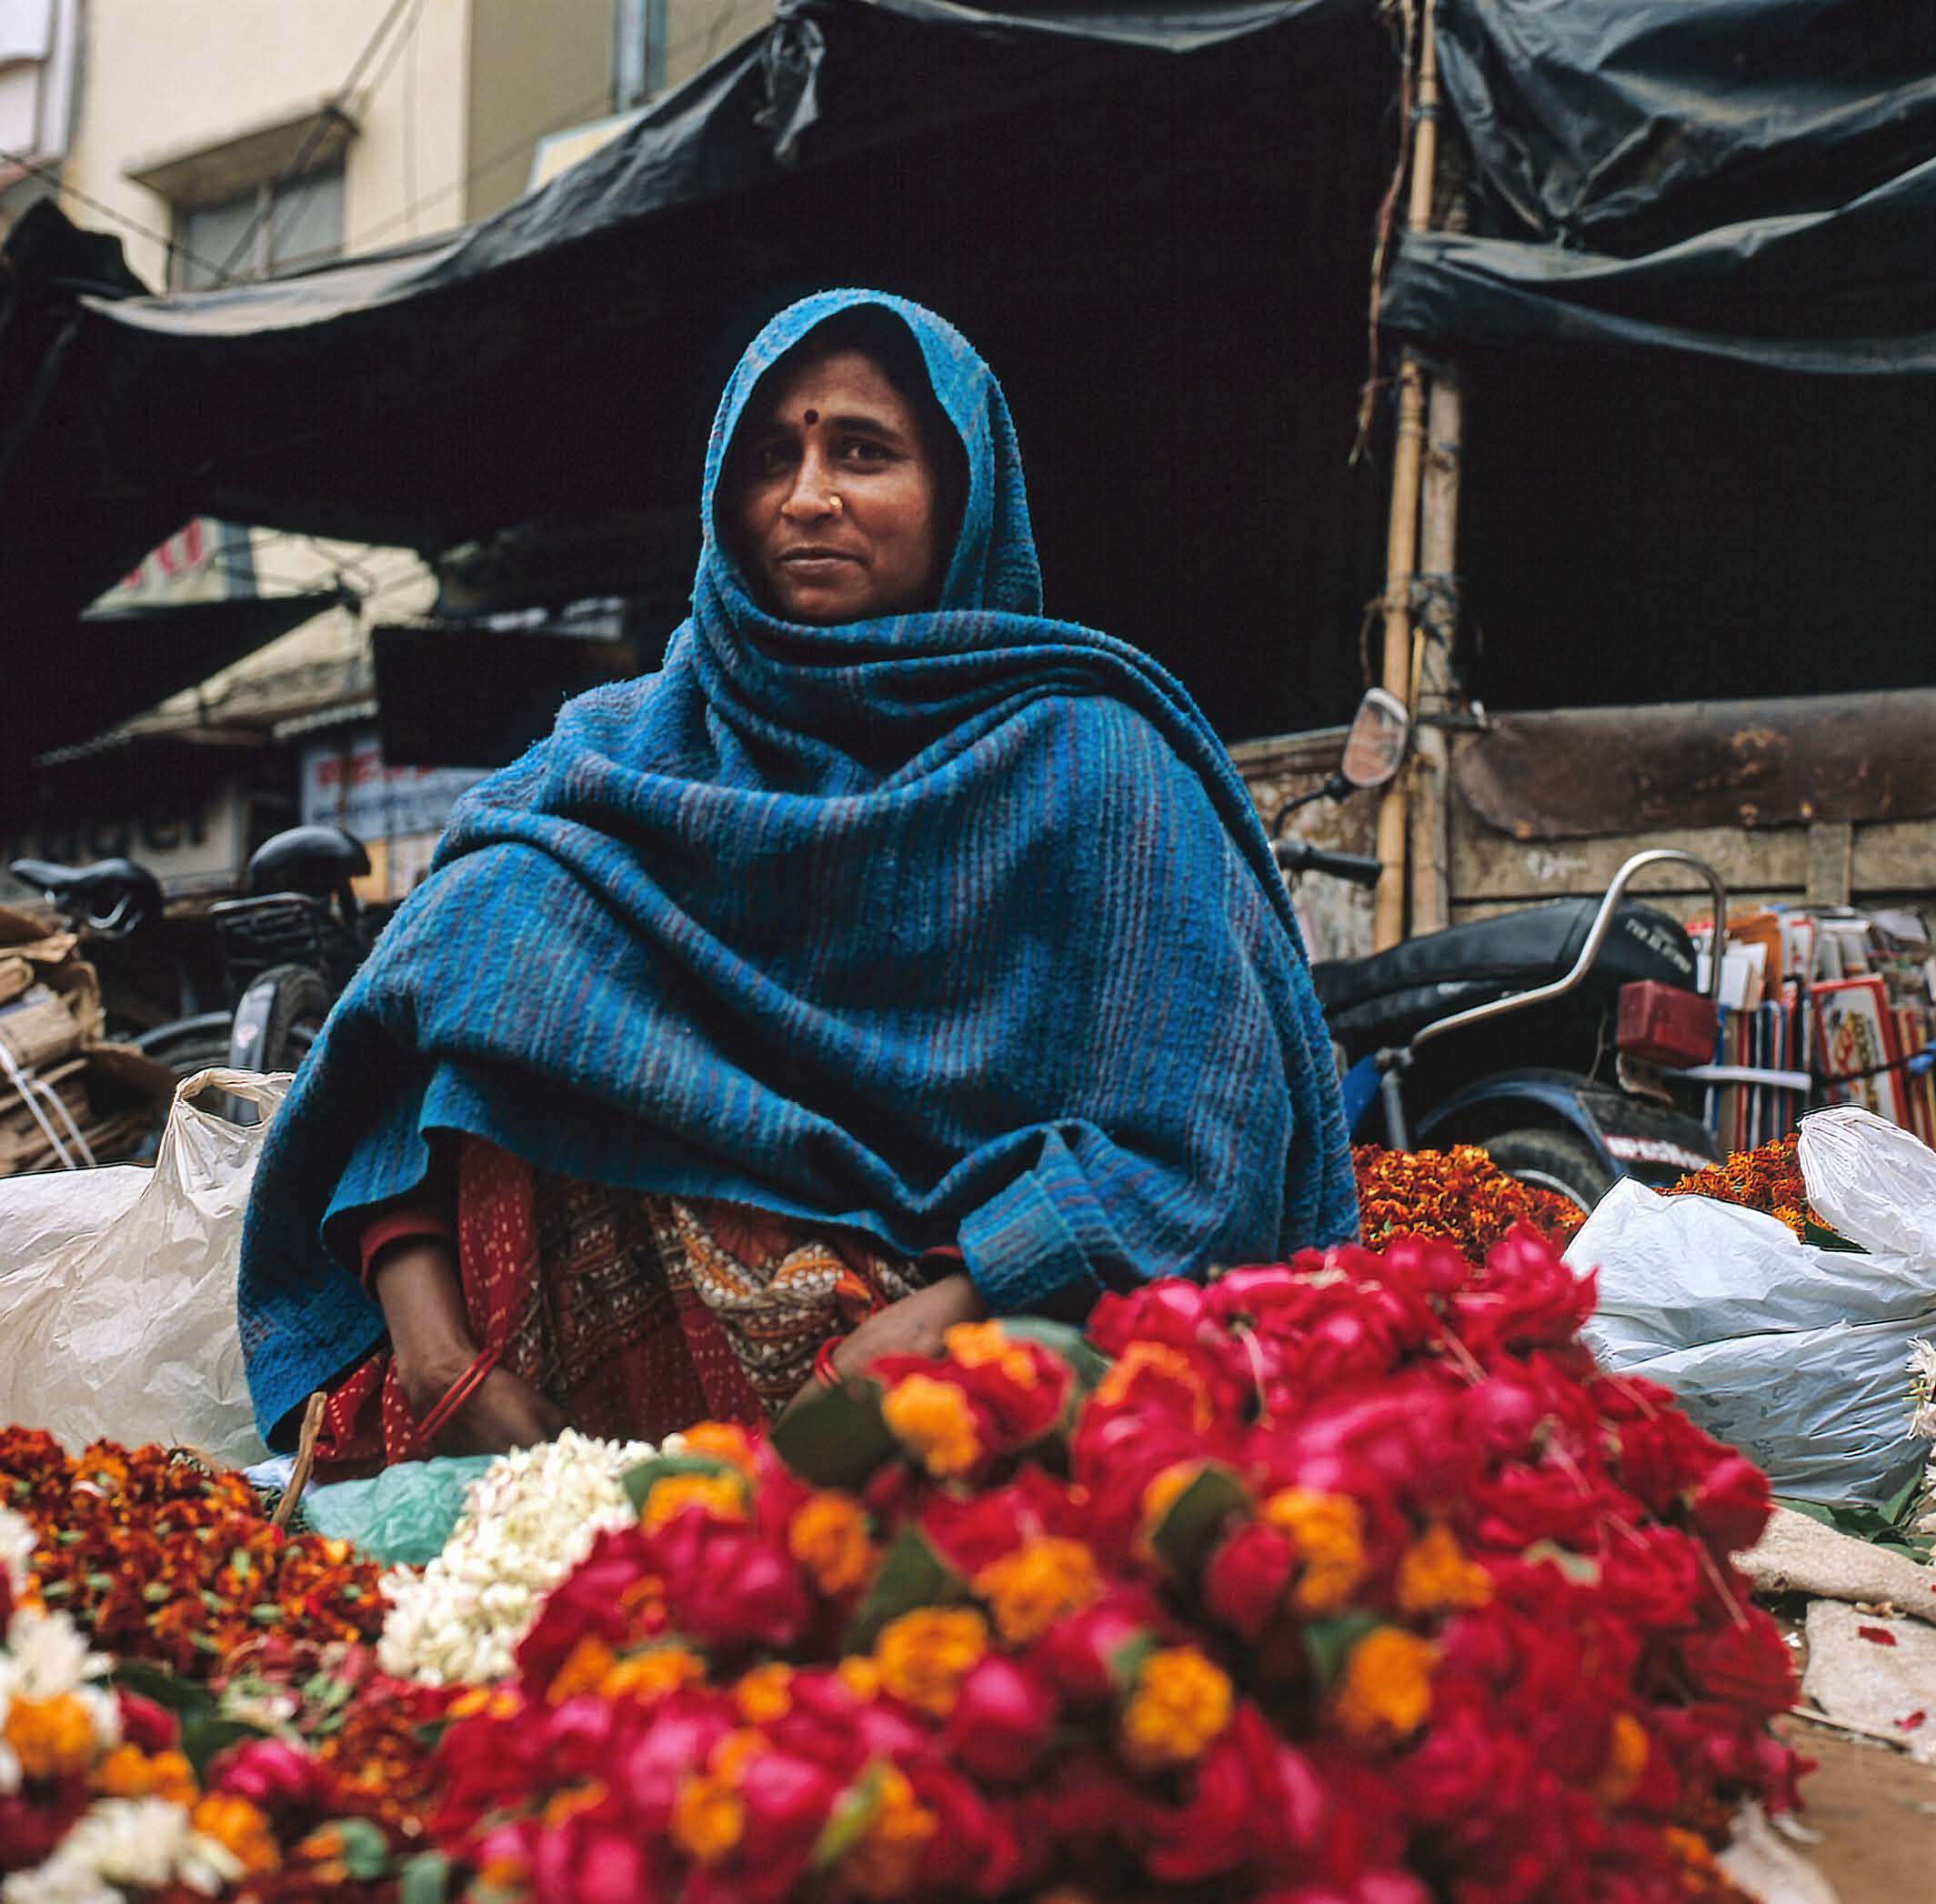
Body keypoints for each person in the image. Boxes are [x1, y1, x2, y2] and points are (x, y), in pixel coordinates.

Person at [236, 290, 1357, 1473]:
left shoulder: (1094, 768)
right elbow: (407, 1046)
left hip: (938, 1425)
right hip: (533, 1465)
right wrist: (433, 1359)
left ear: (960, 493)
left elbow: (1199, 1143)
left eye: (863, 452)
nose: (807, 497)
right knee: (504, 917)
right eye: (772, 456)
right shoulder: (610, 758)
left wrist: (946, 1318)